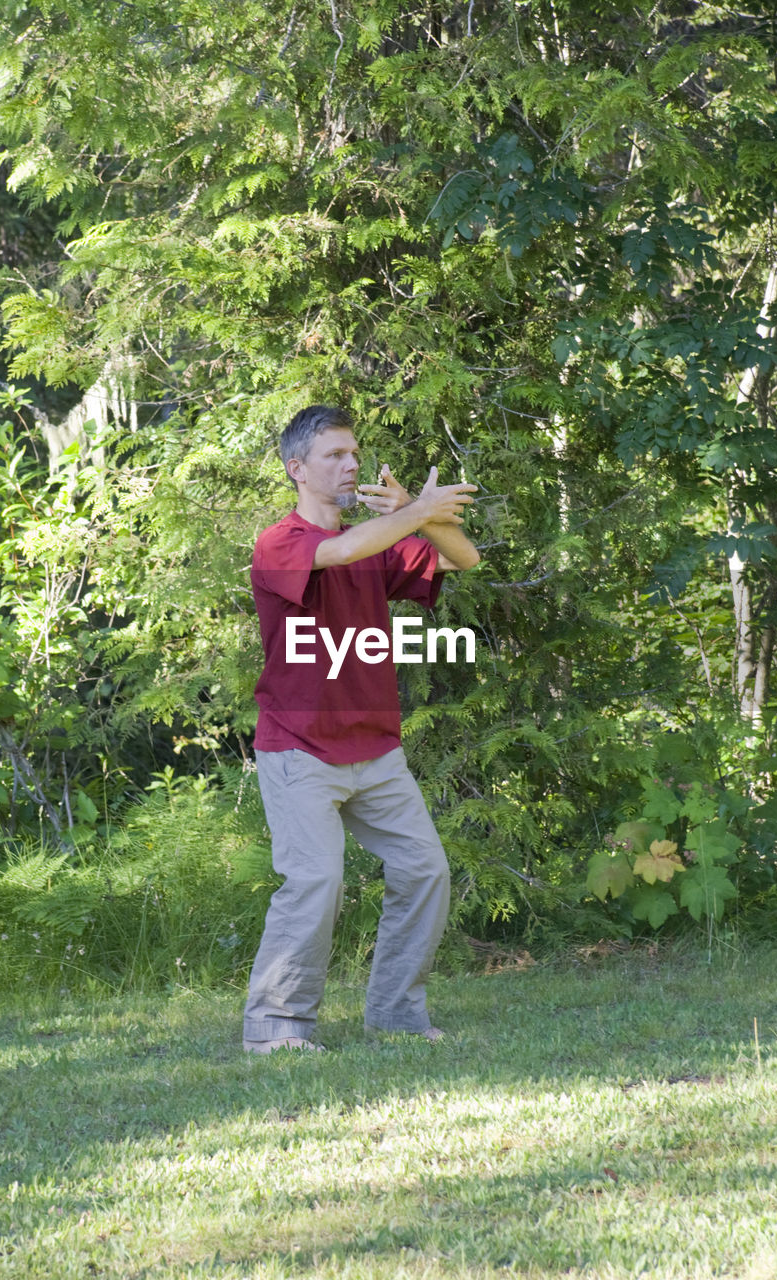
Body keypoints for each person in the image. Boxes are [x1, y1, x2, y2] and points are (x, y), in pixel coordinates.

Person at [243, 405, 479, 1053]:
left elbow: (464, 558)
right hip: (299, 750)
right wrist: (413, 512)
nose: (350, 464)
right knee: (316, 881)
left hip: (375, 750)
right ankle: (275, 1029)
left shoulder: (380, 542)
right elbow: (341, 548)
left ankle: (396, 1015)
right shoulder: (280, 542)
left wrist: (425, 515)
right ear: (297, 469)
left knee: (424, 871)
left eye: (353, 453)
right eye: (334, 456)